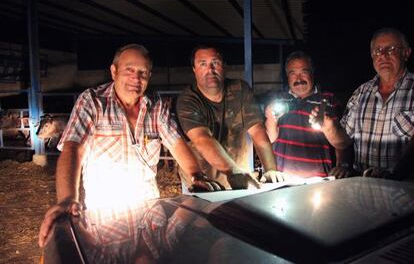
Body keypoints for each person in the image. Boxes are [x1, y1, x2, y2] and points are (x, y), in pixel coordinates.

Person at [38, 43, 222, 249]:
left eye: (143, 72)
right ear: (114, 71)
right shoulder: (92, 102)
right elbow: (74, 148)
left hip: (150, 211)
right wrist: (68, 199)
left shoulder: (156, 105)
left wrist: (196, 174)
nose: (137, 78)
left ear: (149, 75)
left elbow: (175, 142)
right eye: (129, 70)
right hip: (106, 217)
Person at [176, 45, 288, 190]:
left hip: (239, 177)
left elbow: (257, 130)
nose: (210, 70)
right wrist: (233, 171)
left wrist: (271, 169)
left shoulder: (240, 89)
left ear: (224, 66)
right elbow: (201, 138)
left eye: (215, 63)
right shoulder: (188, 99)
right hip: (202, 181)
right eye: (202, 64)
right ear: (194, 69)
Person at [313, 27, 414, 179]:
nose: (383, 55)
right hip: (363, 189)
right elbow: (344, 142)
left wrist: (394, 174)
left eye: (391, 49)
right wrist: (329, 128)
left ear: (406, 53)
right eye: (377, 51)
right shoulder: (361, 93)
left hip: (404, 191)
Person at [264, 51, 343, 178]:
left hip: (320, 180)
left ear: (312, 73)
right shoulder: (279, 100)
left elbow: (341, 140)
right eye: (293, 74)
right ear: (287, 77)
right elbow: (270, 139)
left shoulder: (328, 100)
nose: (298, 79)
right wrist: (271, 119)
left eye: (303, 72)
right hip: (284, 180)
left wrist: (341, 165)